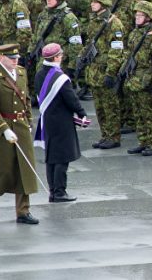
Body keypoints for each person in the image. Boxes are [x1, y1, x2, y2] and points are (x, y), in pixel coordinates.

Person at [0, 43, 40, 224]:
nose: (15, 61)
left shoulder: (21, 72)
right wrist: (4, 129)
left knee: (25, 168)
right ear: (1, 58)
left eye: (16, 58)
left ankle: (23, 211)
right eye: (11, 58)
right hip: (3, 126)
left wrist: (29, 121)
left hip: (21, 125)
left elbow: (26, 99)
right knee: (0, 167)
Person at [34, 43, 88, 202]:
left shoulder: (39, 74)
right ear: (56, 57)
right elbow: (71, 99)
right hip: (62, 121)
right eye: (60, 55)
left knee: (51, 157)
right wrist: (82, 113)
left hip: (47, 119)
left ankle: (53, 191)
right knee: (62, 158)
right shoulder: (60, 78)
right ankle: (59, 192)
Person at [81, 0, 126, 149]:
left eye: (95, 1)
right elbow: (89, 43)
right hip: (94, 71)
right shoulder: (94, 21)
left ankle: (113, 137)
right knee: (99, 107)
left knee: (110, 106)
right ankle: (105, 135)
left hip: (106, 70)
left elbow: (116, 51)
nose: (92, 4)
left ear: (104, 3)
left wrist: (111, 73)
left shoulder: (114, 24)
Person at [123, 1, 152, 156]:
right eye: (136, 14)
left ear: (149, 17)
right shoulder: (134, 33)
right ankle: (143, 141)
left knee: (149, 114)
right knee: (138, 113)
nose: (137, 17)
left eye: (141, 15)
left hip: (146, 80)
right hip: (134, 78)